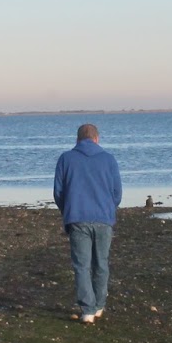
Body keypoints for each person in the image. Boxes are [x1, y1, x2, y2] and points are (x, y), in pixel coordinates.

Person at [53, 123, 122, 323]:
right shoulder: (108, 159)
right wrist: (108, 208)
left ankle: (88, 310)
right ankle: (98, 305)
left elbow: (58, 192)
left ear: (77, 139)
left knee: (82, 265)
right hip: (103, 218)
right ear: (96, 139)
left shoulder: (66, 159)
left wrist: (68, 209)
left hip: (77, 217)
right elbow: (117, 192)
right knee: (101, 263)